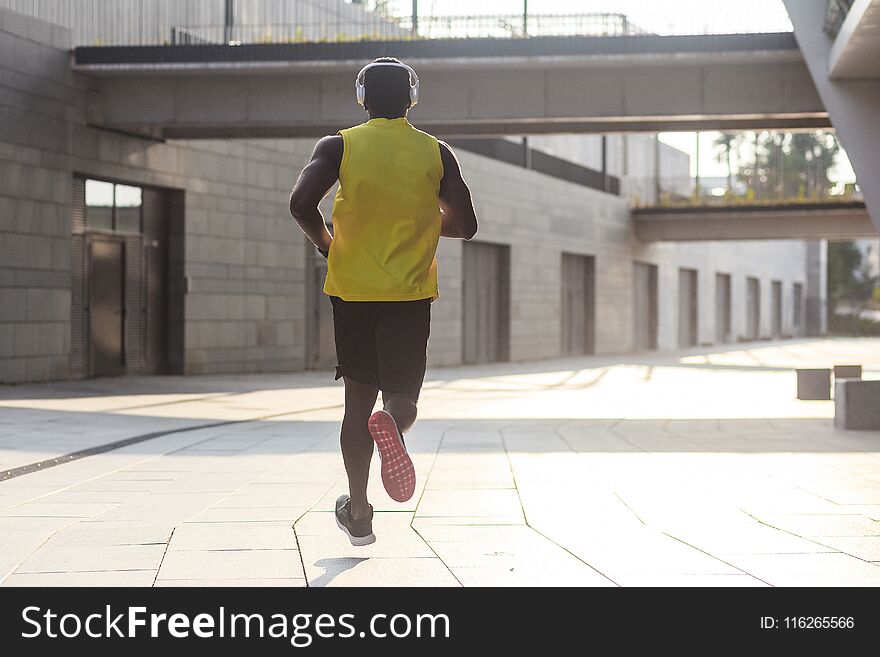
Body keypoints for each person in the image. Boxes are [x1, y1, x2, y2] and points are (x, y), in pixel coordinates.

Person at [289, 57, 478, 546]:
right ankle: (391, 423)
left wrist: (326, 243)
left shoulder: (339, 145)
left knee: (356, 405)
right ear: (411, 99)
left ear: (362, 98)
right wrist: (420, 215)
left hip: (352, 292)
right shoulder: (436, 153)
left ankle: (359, 511)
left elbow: (300, 204)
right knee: (402, 397)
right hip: (409, 294)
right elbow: (467, 225)